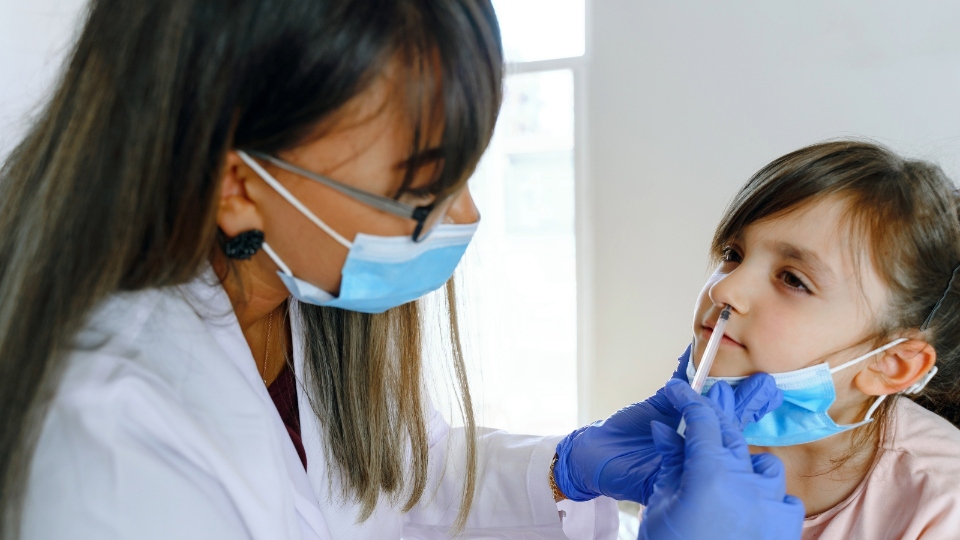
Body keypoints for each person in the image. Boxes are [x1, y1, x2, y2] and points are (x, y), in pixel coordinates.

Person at [0, 1, 801, 539]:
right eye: (420, 190)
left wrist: (561, 471)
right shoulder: (104, 442)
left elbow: (392, 486)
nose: (466, 219)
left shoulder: (294, 294)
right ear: (239, 184)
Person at [683, 140, 960, 539]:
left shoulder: (943, 501)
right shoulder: (695, 429)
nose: (724, 291)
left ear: (891, 363)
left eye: (793, 279)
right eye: (734, 253)